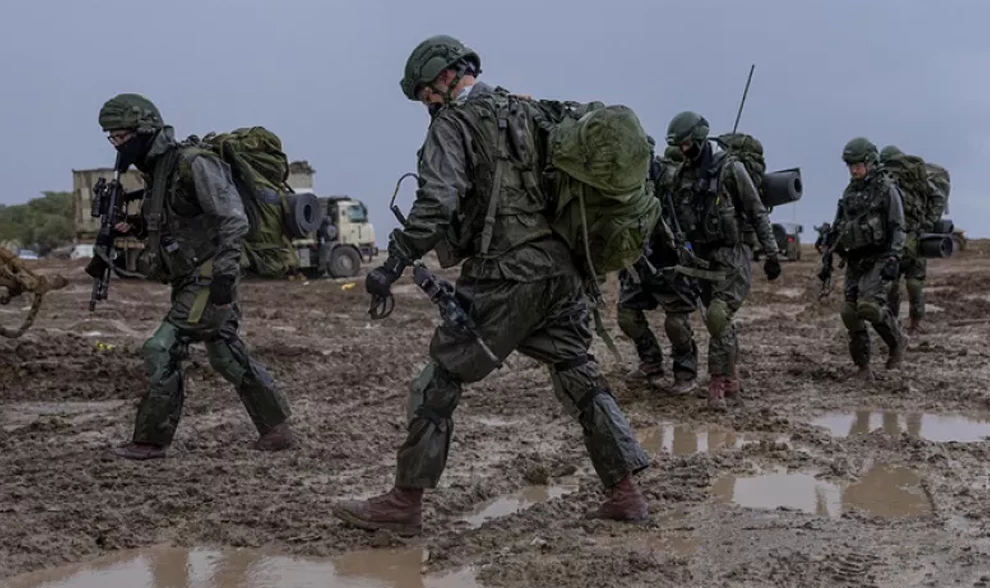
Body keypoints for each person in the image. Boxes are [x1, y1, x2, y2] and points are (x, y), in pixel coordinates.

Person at [334, 35, 652, 534]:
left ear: (443, 76)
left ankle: (404, 503)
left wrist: (392, 264)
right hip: (560, 272)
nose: (426, 105)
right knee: (576, 372)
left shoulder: (454, 124)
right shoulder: (531, 112)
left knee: (438, 380)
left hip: (507, 275)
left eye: (424, 94)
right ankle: (626, 493)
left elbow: (437, 202)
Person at [93, 93, 298, 460]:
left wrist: (223, 275)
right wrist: (136, 225)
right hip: (188, 278)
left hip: (208, 277)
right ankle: (277, 430)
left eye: (121, 136)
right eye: (112, 138)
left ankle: (150, 441)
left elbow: (234, 219)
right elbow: (178, 225)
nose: (118, 145)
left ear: (144, 131)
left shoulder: (193, 164)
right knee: (225, 355)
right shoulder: (158, 171)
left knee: (162, 348)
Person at [664, 111, 782, 406]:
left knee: (718, 316)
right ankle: (731, 380)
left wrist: (771, 253)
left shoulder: (730, 169)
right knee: (716, 319)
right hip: (701, 258)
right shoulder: (681, 177)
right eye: (680, 145)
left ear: (701, 140)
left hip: (732, 254)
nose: (684, 150)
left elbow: (756, 212)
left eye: (688, 144)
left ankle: (718, 382)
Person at [616, 138, 701, 394]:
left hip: (670, 263)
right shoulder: (624, 181)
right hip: (639, 261)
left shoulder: (669, 179)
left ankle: (685, 372)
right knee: (627, 315)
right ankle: (651, 362)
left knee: (676, 323)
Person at [819, 137, 906, 379]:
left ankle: (897, 342)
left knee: (869, 306)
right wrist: (827, 252)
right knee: (850, 312)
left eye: (858, 165)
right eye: (850, 166)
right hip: (855, 259)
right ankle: (863, 366)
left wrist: (894, 258)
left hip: (879, 257)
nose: (854, 170)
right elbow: (840, 226)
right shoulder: (850, 193)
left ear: (870, 162)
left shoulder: (887, 190)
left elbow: (898, 227)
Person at [879, 144, 936, 335]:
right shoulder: (918, 176)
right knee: (914, 282)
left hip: (895, 239)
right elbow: (936, 196)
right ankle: (915, 323)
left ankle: (892, 322)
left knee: (892, 283)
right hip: (917, 236)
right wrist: (928, 222)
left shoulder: (885, 179)